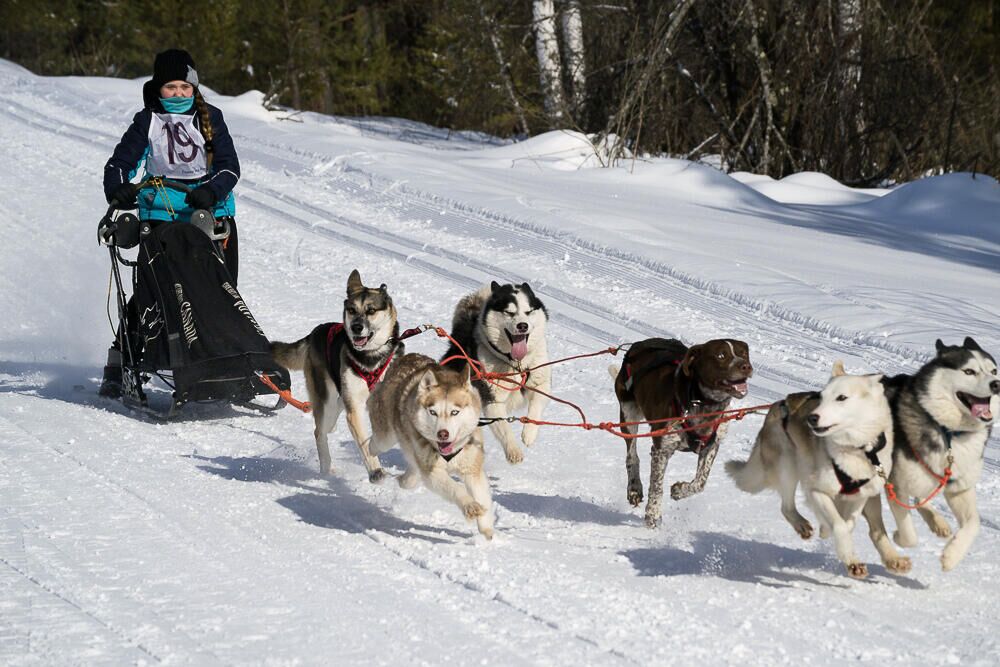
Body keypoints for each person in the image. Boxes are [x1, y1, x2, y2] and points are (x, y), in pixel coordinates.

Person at [99, 48, 242, 398]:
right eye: (170, 87)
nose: (178, 94)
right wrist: (118, 190)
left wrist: (211, 190)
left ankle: (223, 363)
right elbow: (119, 164)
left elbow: (229, 166)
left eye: (184, 87)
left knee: (220, 290)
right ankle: (121, 360)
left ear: (194, 88)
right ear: (158, 89)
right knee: (156, 293)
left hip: (211, 217)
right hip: (161, 217)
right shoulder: (147, 121)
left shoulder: (211, 118)